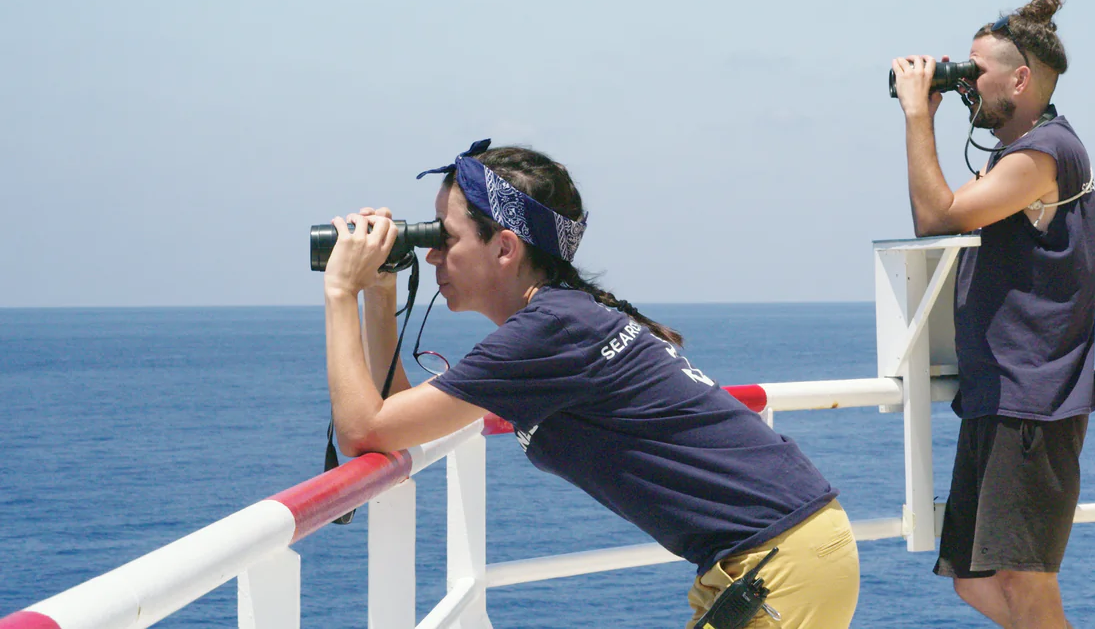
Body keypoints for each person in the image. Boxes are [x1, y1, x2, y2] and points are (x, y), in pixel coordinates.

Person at [320, 140, 859, 629]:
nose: (432, 253)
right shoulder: (563, 320)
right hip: (787, 552)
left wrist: (342, 290)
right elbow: (396, 422)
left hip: (778, 565)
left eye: (445, 236)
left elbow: (364, 430)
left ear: (505, 248)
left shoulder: (548, 333)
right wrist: (380, 294)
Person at [891, 0, 1095, 629]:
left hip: (1030, 402)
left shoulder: (1046, 153)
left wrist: (916, 116)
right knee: (975, 583)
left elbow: (937, 216)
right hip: (999, 396)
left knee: (1023, 581)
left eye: (974, 72)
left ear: (1021, 77)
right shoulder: (1019, 156)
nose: (964, 85)